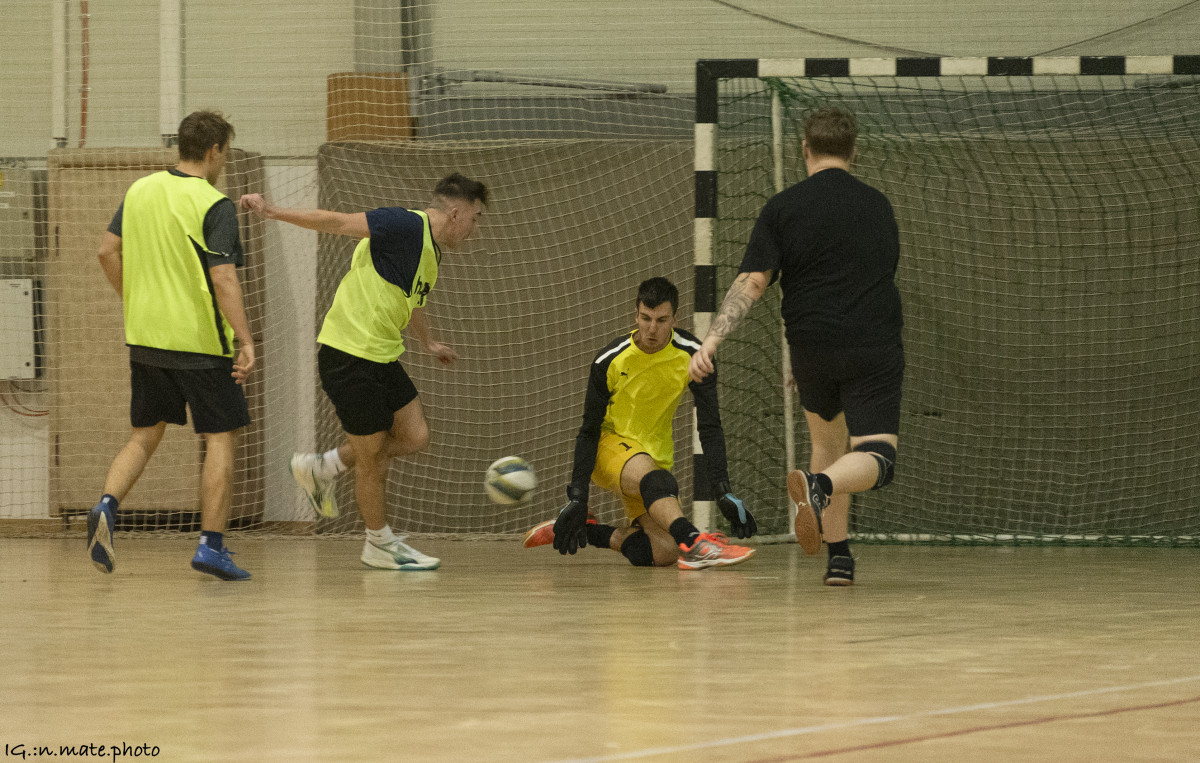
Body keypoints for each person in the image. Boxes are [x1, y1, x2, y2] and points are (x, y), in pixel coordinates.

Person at [688, 106, 904, 586]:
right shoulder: (878, 206)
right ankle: (819, 488)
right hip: (871, 345)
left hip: (810, 348)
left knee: (827, 444)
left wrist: (712, 341)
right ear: (853, 151)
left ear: (804, 149)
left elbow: (753, 281)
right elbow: (880, 274)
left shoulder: (783, 207)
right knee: (878, 458)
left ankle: (839, 557)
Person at [239, 173, 488, 571]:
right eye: (475, 218)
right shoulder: (405, 224)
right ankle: (378, 543)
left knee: (415, 436)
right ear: (456, 213)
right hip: (349, 354)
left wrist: (428, 343)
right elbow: (337, 222)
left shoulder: (432, 252)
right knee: (372, 460)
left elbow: (413, 301)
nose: (475, 229)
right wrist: (272, 211)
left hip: (382, 355)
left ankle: (324, 466)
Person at [88, 110, 256, 581]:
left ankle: (107, 505)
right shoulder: (213, 203)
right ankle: (211, 547)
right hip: (200, 344)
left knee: (145, 434)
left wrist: (135, 300)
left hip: (146, 340)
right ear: (214, 150)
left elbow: (106, 251)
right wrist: (245, 340)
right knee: (220, 436)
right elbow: (223, 278)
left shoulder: (139, 190)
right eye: (225, 152)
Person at [524, 277, 757, 570]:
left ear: (675, 318)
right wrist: (578, 497)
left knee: (662, 552)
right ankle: (697, 544)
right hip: (608, 446)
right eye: (645, 318)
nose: (652, 328)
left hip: (653, 458)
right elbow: (588, 431)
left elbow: (710, 427)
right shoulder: (609, 360)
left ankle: (586, 530)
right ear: (635, 314)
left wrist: (722, 489)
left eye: (661, 320)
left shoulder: (693, 355)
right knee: (657, 483)